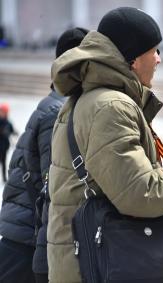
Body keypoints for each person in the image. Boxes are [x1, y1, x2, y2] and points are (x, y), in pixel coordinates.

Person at [47, 7, 163, 283]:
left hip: (90, 263)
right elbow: (139, 194)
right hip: (97, 268)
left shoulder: (95, 99)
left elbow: (118, 188)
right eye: (154, 50)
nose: (159, 59)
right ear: (133, 59)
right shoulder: (111, 106)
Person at [0, 27, 89, 283]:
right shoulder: (58, 112)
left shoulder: (57, 104)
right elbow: (52, 186)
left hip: (25, 235)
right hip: (26, 241)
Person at [0, 103, 15, 183]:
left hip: (4, 146)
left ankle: (4, 178)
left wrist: (15, 132)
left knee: (4, 162)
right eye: (2, 111)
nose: (3, 113)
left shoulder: (8, 122)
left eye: (5, 112)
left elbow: (12, 130)